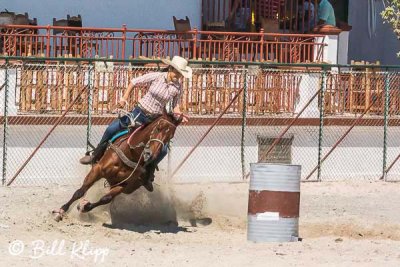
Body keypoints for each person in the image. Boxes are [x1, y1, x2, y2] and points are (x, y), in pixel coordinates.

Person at [79, 56, 191, 192]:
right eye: (177, 73)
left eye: (180, 74)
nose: (178, 76)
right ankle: (96, 155)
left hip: (154, 121)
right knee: (111, 129)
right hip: (139, 113)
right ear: (171, 68)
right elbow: (134, 82)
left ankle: (148, 174)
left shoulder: (177, 88)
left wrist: (179, 115)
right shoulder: (156, 77)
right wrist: (124, 98)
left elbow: (175, 106)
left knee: (163, 150)